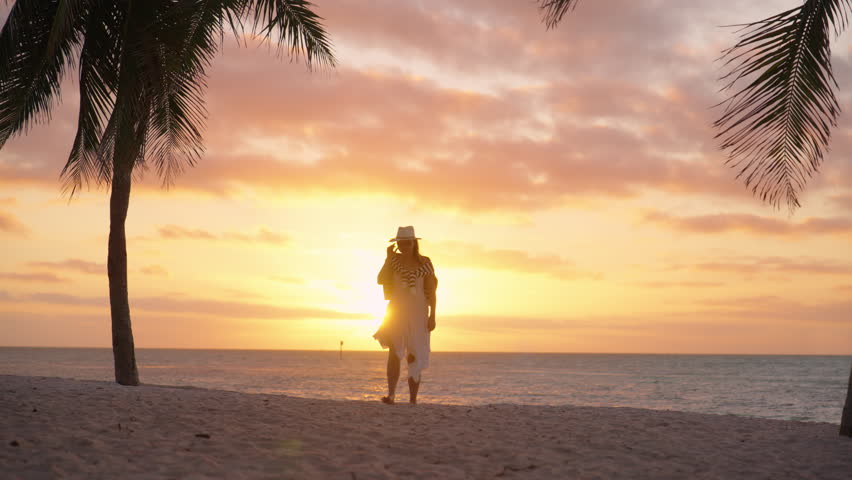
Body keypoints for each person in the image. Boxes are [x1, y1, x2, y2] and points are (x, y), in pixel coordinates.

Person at [373, 226, 437, 404]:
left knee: (414, 354)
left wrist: (433, 316)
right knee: (394, 351)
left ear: (414, 243)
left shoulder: (425, 262)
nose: (404, 246)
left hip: (419, 313)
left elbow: (431, 292)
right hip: (396, 312)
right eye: (400, 243)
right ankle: (391, 395)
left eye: (407, 243)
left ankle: (413, 400)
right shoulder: (393, 261)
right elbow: (380, 279)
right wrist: (388, 258)